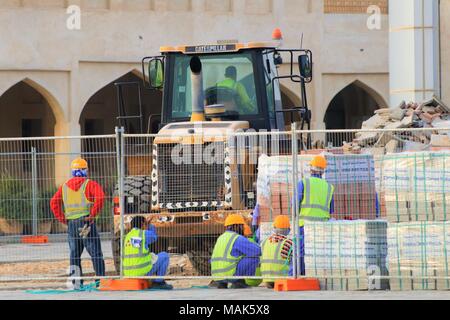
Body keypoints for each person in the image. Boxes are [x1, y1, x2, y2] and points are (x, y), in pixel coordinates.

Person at [50, 158, 105, 289]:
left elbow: (53, 202)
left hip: (72, 225)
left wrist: (63, 219)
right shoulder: (89, 184)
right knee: (95, 252)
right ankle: (101, 282)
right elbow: (101, 197)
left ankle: (76, 283)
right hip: (86, 223)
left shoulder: (64, 187)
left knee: (74, 254)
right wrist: (92, 215)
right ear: (85, 170)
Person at [295, 155, 335, 276]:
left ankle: (299, 274)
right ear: (323, 171)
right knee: (319, 251)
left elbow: (295, 204)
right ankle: (318, 274)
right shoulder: (329, 187)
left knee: (301, 251)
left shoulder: (303, 183)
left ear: (311, 169)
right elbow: (331, 209)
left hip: (304, 225)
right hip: (322, 225)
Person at [210, 214, 261, 289]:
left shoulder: (221, 237)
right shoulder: (236, 238)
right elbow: (257, 251)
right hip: (229, 274)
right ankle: (239, 282)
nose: (243, 228)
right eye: (241, 226)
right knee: (254, 257)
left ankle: (221, 284)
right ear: (236, 226)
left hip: (217, 275)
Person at [123, 216, 172, 290]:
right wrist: (150, 225)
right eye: (145, 223)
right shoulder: (143, 234)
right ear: (142, 224)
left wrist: (146, 223)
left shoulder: (127, 236)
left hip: (128, 273)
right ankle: (158, 282)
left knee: (151, 255)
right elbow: (154, 237)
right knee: (164, 256)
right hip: (141, 271)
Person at [260, 215, 293, 289]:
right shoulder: (289, 242)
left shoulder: (264, 242)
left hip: (266, 279)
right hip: (282, 280)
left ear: (274, 228)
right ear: (288, 229)